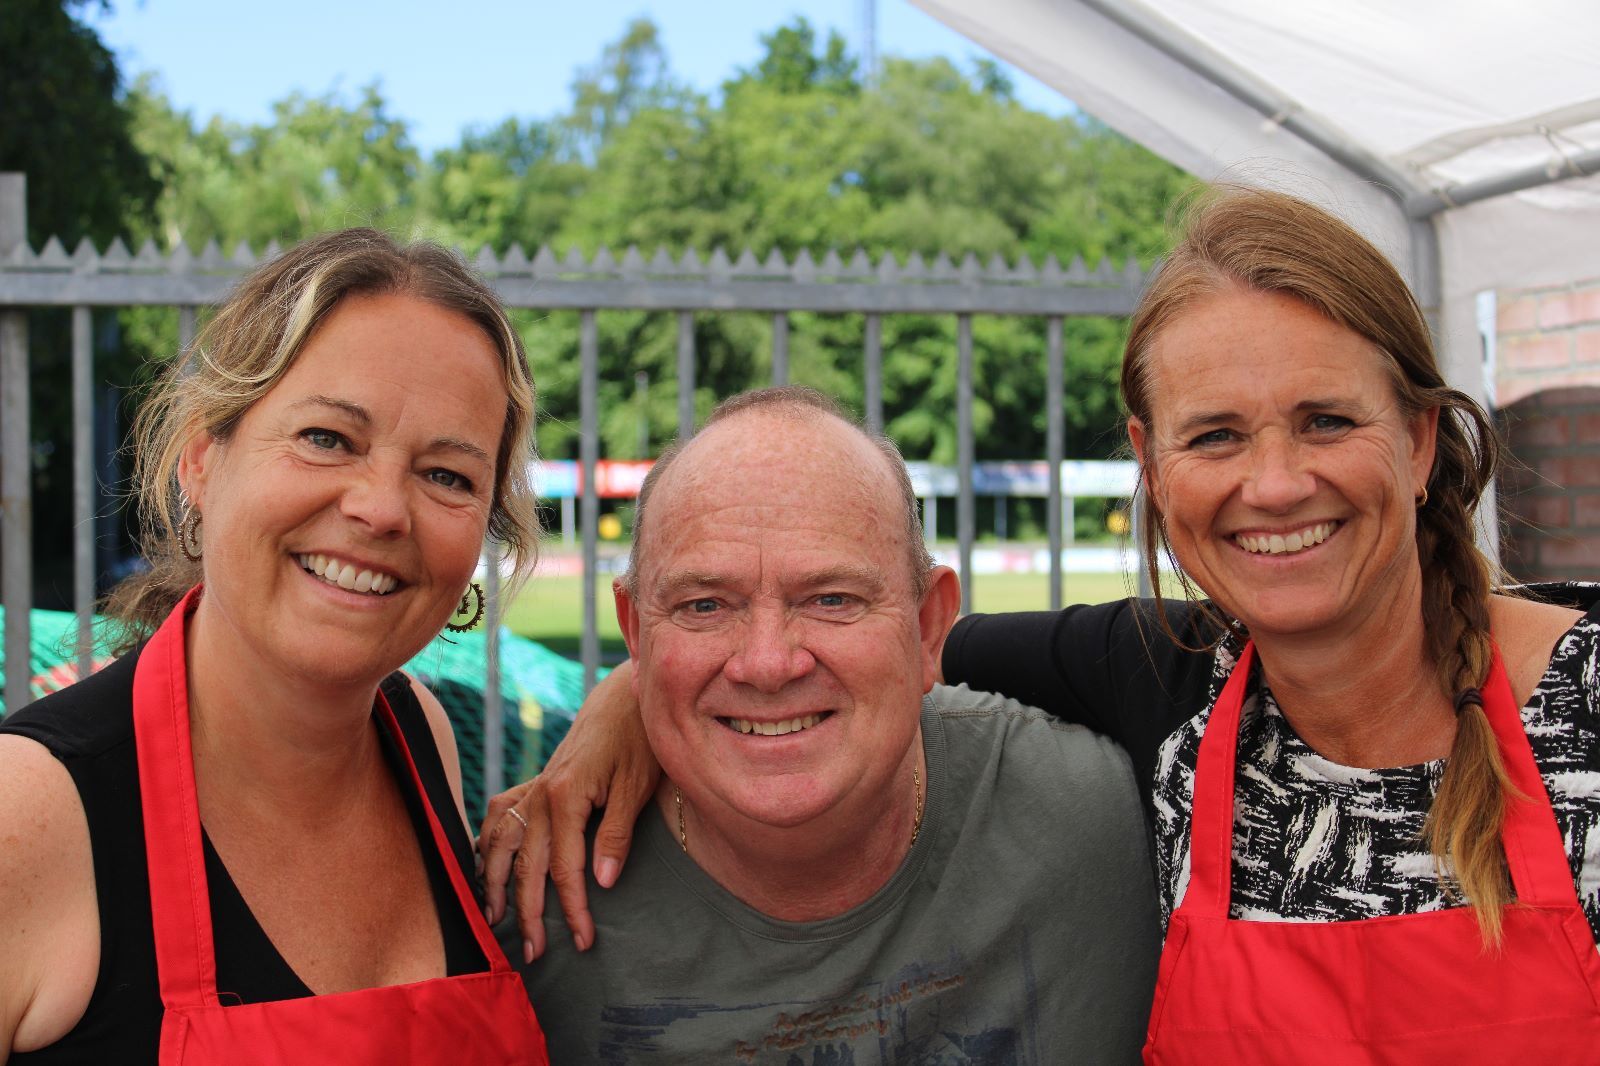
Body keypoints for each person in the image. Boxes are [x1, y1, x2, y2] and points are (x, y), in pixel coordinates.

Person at [484, 188, 1600, 1062]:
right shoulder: (1159, 685)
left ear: (1417, 440)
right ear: (1152, 466)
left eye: (1325, 420)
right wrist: (639, 694)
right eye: (1214, 435)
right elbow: (851, 658)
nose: (1272, 483)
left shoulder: (1584, 699)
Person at [0, 230, 549, 1064]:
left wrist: (623, 711)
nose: (381, 509)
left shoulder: (421, 737)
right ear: (200, 459)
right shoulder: (31, 814)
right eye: (327, 437)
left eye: (447, 475)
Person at [505, 387, 1158, 1063]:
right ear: (636, 633)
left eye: (832, 599)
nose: (767, 664)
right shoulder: (519, 916)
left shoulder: (1124, 809)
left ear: (928, 625)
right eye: (704, 606)